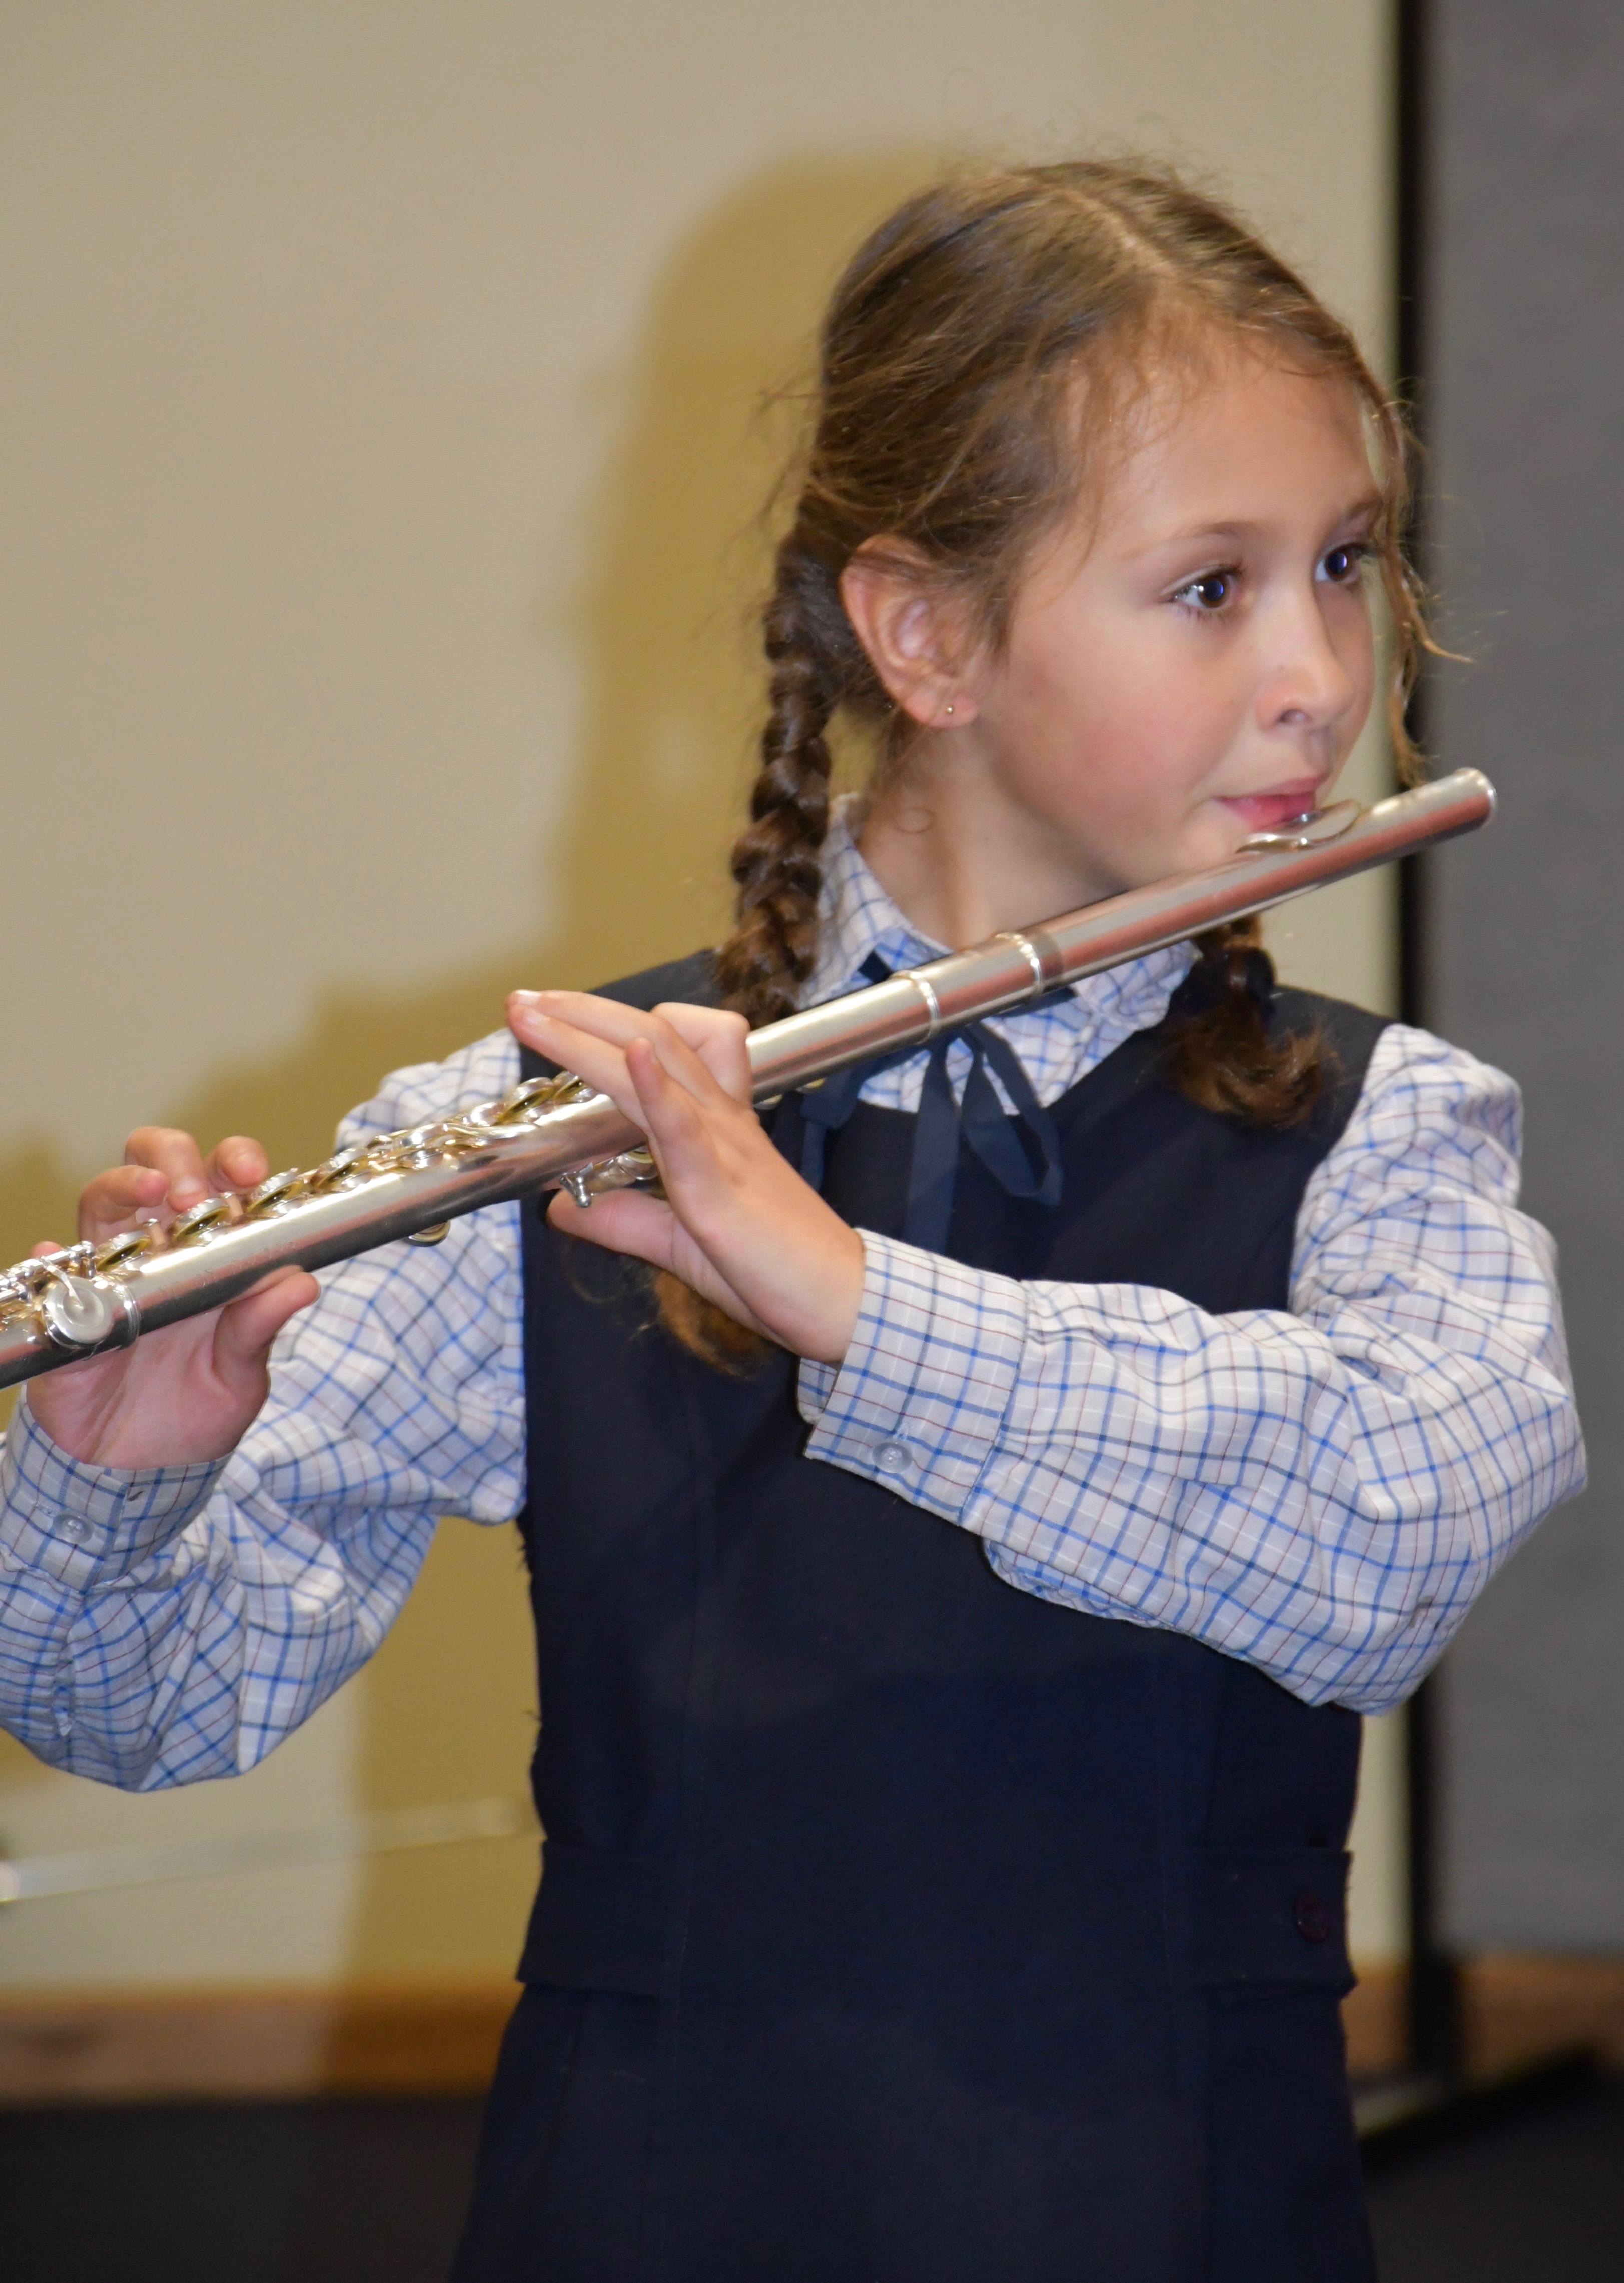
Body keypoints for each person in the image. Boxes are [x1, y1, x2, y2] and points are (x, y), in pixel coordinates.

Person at [0, 161, 1583, 2280]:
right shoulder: (547, 1126)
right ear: (923, 633)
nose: (1317, 671)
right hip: (647, 2212)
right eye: (1212, 585)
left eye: (1344, 561)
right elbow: (141, 1707)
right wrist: (109, 1484)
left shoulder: (1387, 1128)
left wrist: (853, 1300)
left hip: (1180, 2211)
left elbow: (1394, 1532)